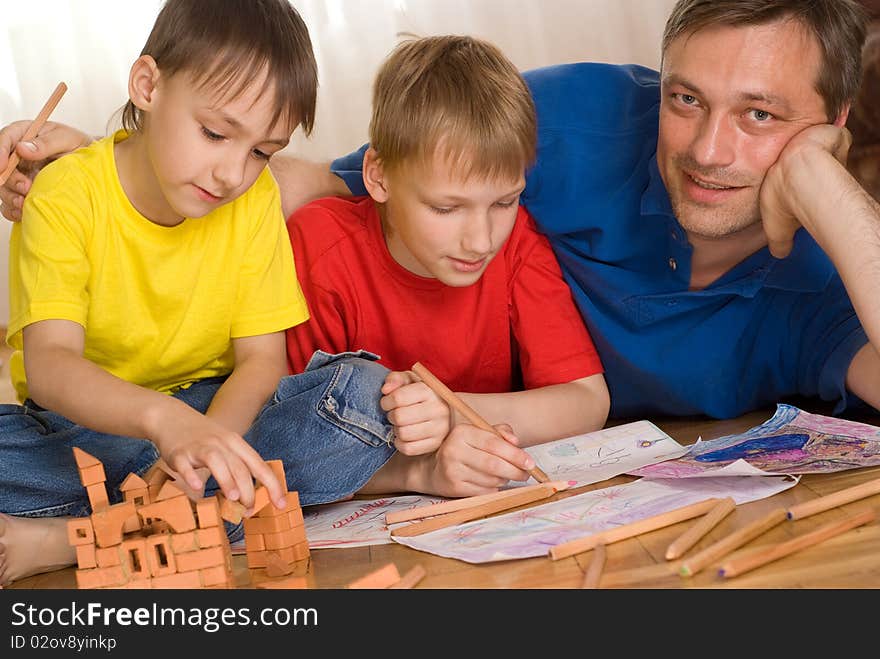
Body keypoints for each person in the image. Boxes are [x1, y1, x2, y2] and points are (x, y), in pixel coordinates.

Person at [0, 0, 321, 585]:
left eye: (260, 153)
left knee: (352, 397)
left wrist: (206, 446)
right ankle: (179, 514)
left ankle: (74, 539)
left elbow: (261, 359)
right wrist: (166, 425)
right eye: (215, 133)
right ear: (148, 85)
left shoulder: (255, 198)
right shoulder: (65, 193)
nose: (232, 174)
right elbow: (49, 367)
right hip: (87, 426)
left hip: (215, 411)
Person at [285, 35, 609, 499]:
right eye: (445, 208)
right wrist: (422, 471)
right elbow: (290, 446)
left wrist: (447, 410)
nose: (481, 241)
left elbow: (587, 401)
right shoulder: (320, 248)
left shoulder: (516, 241)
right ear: (378, 176)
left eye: (504, 200)